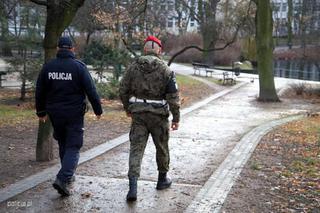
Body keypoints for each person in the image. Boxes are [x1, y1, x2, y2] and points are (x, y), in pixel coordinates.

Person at [35, 36, 103, 196]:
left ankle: (68, 175)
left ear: (58, 48)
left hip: (55, 114)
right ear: (72, 49)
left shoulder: (48, 67)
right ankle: (63, 178)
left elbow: (40, 90)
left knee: (64, 143)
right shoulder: (79, 67)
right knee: (74, 146)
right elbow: (91, 90)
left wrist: (41, 112)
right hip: (74, 114)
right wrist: (98, 110)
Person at [119, 35, 180, 201]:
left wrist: (128, 108)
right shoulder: (166, 70)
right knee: (161, 147)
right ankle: (162, 180)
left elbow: (123, 90)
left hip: (139, 115)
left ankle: (133, 187)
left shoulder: (133, 68)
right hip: (159, 117)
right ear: (159, 50)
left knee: (136, 149)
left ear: (144, 49)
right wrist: (176, 118)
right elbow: (173, 98)